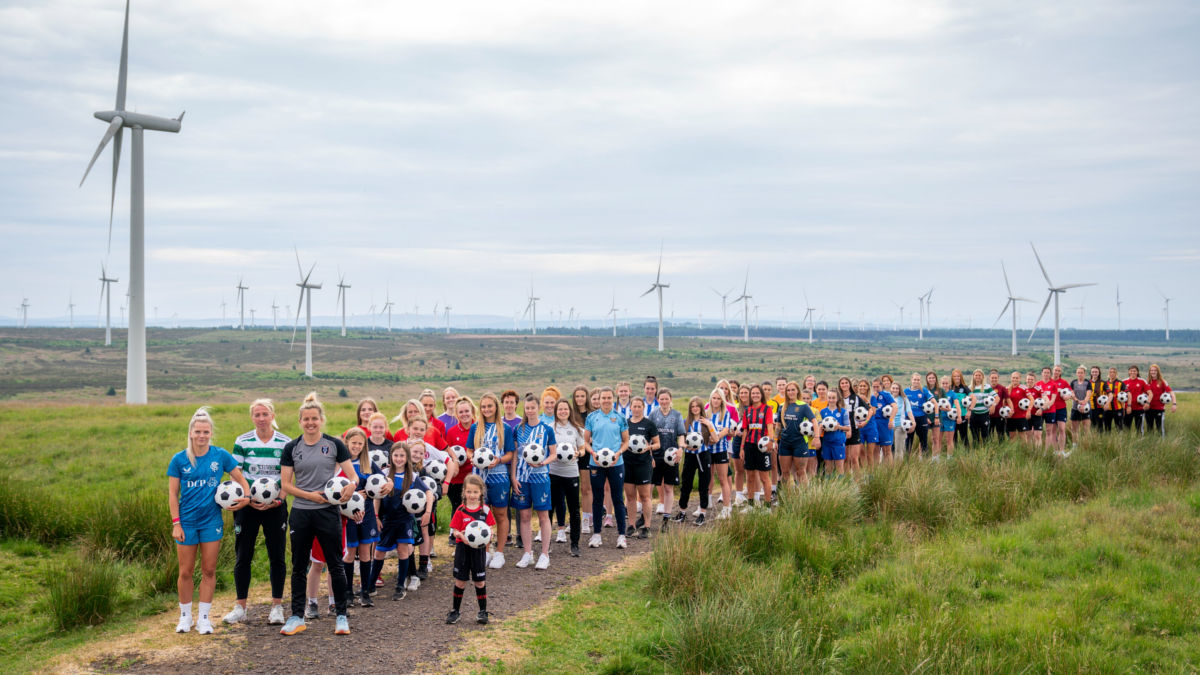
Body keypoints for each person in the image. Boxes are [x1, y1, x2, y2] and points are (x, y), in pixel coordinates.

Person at [278, 392, 359, 637]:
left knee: (335, 564)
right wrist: (310, 495)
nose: (310, 422)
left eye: (314, 418)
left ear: (321, 419)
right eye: (306, 419)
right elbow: (285, 485)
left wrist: (352, 486)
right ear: (300, 421)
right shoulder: (292, 447)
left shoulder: (334, 445)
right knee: (299, 565)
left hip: (328, 513)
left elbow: (352, 475)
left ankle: (341, 616)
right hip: (302, 513)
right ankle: (296, 617)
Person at [168, 407, 249, 634]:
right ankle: (185, 617)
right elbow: (173, 494)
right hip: (186, 522)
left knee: (209, 570)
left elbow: (241, 480)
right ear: (191, 433)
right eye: (198, 432)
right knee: (185, 571)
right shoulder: (179, 459)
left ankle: (204, 618)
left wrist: (246, 498)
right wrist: (176, 523)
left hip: (211, 521)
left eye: (206, 432)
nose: (202, 436)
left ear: (211, 433)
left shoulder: (220, 455)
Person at [224, 399, 289, 626]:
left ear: (272, 415)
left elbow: (287, 475)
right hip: (247, 506)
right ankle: (240, 607)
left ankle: (277, 607)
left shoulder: (284, 442)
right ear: (252, 417)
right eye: (257, 415)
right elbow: (236, 473)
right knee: (243, 556)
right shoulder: (242, 441)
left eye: (265, 414)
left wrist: (278, 500)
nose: (261, 418)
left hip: (274, 507)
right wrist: (248, 499)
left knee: (277, 556)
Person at [365, 442, 432, 602]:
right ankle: (371, 585)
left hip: (404, 520)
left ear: (407, 457)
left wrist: (428, 512)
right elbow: (377, 498)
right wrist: (375, 517)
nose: (399, 458)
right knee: (379, 552)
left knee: (403, 551)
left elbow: (429, 492)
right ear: (391, 456)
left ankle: (400, 586)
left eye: (402, 455)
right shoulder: (385, 474)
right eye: (396, 455)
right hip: (387, 521)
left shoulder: (413, 476)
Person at [465, 393, 516, 568]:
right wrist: (472, 458)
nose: (486, 410)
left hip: (499, 477)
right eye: (483, 407)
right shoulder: (475, 427)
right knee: (481, 515)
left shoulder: (506, 429)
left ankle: (500, 553)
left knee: (500, 514)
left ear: (496, 407)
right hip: (478, 479)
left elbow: (510, 453)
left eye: (490, 406)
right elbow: (469, 450)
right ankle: (486, 551)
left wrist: (498, 460)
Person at [446, 474, 496, 625]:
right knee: (460, 581)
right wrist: (461, 534)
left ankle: (482, 612)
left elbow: (491, 528)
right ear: (464, 492)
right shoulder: (461, 510)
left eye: (475, 492)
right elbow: (454, 530)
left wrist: (490, 535)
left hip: (479, 551)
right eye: (469, 492)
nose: (472, 495)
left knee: (479, 581)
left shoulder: (485, 511)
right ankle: (455, 611)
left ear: (481, 492)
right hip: (463, 549)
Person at [513, 394, 556, 570]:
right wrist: (513, 477)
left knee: (543, 516)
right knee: (524, 516)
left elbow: (553, 453)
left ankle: (544, 554)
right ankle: (527, 553)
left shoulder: (546, 429)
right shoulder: (518, 429)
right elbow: (515, 455)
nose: (530, 410)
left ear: (538, 408)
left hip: (540, 478)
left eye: (532, 407)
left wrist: (542, 463)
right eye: (527, 408)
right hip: (522, 479)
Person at [584, 387, 629, 548]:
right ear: (599, 399)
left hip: (616, 463)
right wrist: (593, 453)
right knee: (597, 498)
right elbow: (586, 442)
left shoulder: (620, 417)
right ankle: (596, 534)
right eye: (603, 398)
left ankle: (622, 536)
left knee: (617, 498)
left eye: (609, 398)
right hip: (596, 463)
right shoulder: (591, 417)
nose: (606, 400)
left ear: (613, 398)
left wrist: (618, 454)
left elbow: (626, 442)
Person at [340, 427, 380, 606]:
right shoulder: (340, 463)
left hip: (367, 513)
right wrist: (354, 496)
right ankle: (347, 592)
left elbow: (384, 480)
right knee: (349, 554)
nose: (356, 446)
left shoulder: (368, 463)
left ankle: (365, 592)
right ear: (347, 442)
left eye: (360, 443)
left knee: (365, 553)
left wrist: (385, 485)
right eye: (353, 442)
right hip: (347, 515)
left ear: (365, 445)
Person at [550, 398, 584, 556]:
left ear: (569, 411)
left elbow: (583, 449)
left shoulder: (576, 429)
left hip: (571, 473)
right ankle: (547, 543)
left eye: (565, 409)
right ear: (556, 412)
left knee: (574, 509)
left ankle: (575, 544)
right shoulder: (550, 428)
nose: (563, 412)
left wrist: (578, 453)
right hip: (553, 472)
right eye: (560, 409)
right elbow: (546, 449)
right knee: (550, 508)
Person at [677, 396, 718, 526]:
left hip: (703, 455)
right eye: (692, 406)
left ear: (701, 407)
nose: (695, 408)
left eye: (697, 406)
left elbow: (716, 439)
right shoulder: (685, 422)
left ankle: (702, 514)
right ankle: (682, 512)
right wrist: (685, 446)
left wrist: (710, 425)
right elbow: (681, 439)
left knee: (703, 485)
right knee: (686, 484)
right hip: (689, 455)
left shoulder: (706, 422)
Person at [649, 388, 685, 530]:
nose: (664, 401)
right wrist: (650, 453)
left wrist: (681, 449)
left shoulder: (677, 415)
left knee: (668, 487)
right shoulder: (653, 414)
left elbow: (681, 434)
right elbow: (648, 435)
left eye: (666, 398)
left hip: (671, 456)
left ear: (670, 399)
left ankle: (666, 518)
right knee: (650, 486)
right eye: (661, 399)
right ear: (658, 400)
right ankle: (647, 517)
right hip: (656, 456)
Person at [623, 396, 658, 536]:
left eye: (639, 406)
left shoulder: (649, 424)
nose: (636, 409)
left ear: (643, 408)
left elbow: (657, 444)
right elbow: (621, 441)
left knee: (645, 496)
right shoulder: (625, 424)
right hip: (627, 463)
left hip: (643, 464)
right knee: (630, 496)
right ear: (630, 408)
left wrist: (649, 447)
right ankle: (631, 525)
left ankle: (647, 527)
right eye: (634, 406)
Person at [777, 381, 818, 486]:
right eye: (788, 390)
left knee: (801, 472)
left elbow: (814, 421)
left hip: (799, 443)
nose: (790, 392)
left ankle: (805, 499)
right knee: (785, 472)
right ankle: (786, 499)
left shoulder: (803, 406)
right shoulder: (782, 406)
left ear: (797, 391)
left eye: (793, 390)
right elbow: (778, 426)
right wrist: (774, 440)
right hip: (785, 443)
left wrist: (816, 437)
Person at [739, 385, 774, 504]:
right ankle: (750, 505)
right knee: (749, 477)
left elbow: (770, 426)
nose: (755, 395)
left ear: (761, 395)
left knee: (764, 477)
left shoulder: (767, 409)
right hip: (749, 446)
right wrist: (742, 448)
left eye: (757, 393)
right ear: (750, 395)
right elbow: (745, 430)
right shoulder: (747, 411)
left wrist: (771, 440)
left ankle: (768, 506)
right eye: (753, 393)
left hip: (762, 447)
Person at [706, 389, 736, 518]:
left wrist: (715, 437)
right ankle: (705, 503)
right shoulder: (706, 412)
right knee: (708, 478)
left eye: (718, 398)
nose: (716, 401)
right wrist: (709, 439)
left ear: (722, 400)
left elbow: (725, 430)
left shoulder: (725, 413)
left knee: (723, 479)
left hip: (720, 450)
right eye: (714, 398)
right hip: (707, 450)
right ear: (711, 399)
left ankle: (727, 507)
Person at [819, 389, 850, 475]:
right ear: (827, 398)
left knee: (839, 467)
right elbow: (819, 427)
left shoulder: (843, 412)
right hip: (827, 442)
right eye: (829, 398)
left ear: (837, 399)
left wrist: (838, 427)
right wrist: (821, 427)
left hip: (838, 442)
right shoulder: (823, 411)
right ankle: (830, 486)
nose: (831, 400)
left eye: (833, 398)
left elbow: (848, 428)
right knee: (828, 467)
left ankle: (841, 486)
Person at [903, 373, 933, 456]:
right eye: (915, 379)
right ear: (911, 380)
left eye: (918, 380)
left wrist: (935, 415)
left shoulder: (924, 390)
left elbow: (933, 402)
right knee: (908, 440)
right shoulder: (905, 391)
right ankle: (906, 461)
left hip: (921, 418)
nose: (916, 381)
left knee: (923, 441)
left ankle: (925, 461)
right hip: (909, 418)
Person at [840, 377, 865, 475]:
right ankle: (847, 483)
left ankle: (858, 482)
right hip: (843, 430)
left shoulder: (856, 397)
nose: (844, 385)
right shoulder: (838, 398)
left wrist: (864, 422)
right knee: (846, 458)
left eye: (846, 383)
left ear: (849, 384)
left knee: (854, 458)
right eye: (842, 383)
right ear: (840, 385)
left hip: (854, 430)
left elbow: (869, 409)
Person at [1145, 363, 1176, 436]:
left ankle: (1162, 445)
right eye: (1151, 370)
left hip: (1159, 409)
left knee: (1160, 429)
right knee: (1149, 429)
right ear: (1149, 372)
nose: (1153, 372)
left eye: (1155, 370)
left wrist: (1174, 404)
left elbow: (1171, 392)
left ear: (1158, 371)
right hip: (1148, 409)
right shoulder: (1147, 382)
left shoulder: (1162, 381)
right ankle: (1151, 445)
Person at [854, 379, 878, 470]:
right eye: (860, 386)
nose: (862, 387)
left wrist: (866, 401)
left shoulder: (872, 398)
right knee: (861, 452)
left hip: (870, 427)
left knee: (870, 453)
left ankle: (870, 473)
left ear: (868, 387)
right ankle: (864, 472)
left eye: (864, 386)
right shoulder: (855, 398)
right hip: (859, 428)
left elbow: (874, 411)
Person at [967, 368, 995, 446]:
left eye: (979, 375)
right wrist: (968, 412)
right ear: (973, 376)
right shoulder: (969, 388)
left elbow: (996, 397)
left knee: (985, 436)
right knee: (975, 437)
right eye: (976, 375)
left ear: (982, 377)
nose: (978, 377)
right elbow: (967, 402)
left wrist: (993, 405)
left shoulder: (987, 387)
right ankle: (976, 454)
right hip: (974, 415)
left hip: (984, 414)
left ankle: (986, 453)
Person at [871, 379, 896, 465]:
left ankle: (889, 472)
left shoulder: (886, 395)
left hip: (885, 424)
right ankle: (877, 472)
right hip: (874, 425)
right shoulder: (871, 396)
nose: (875, 388)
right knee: (875, 449)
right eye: (874, 386)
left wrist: (891, 420)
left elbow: (895, 407)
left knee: (887, 450)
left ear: (881, 385)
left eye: (877, 386)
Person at [936, 375, 959, 458]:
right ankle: (937, 458)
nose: (944, 385)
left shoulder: (952, 394)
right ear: (940, 384)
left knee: (949, 440)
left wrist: (959, 416)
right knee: (938, 440)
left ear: (949, 384)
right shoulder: (937, 393)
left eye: (946, 383)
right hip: (939, 419)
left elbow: (957, 405)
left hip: (949, 419)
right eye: (943, 383)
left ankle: (949, 458)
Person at [889, 381, 913, 461]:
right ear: (890, 389)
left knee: (899, 450)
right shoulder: (887, 398)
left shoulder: (904, 399)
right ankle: (887, 468)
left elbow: (909, 411)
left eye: (897, 388)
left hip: (900, 426)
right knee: (887, 449)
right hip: (889, 426)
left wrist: (913, 422)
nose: (895, 390)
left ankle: (898, 469)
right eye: (893, 388)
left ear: (899, 389)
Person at [1124, 365, 1149, 435]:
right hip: (1127, 408)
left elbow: (1150, 393)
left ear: (1137, 372)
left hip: (1139, 409)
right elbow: (1120, 395)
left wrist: (1147, 403)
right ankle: (1126, 442)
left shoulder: (1142, 381)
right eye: (1131, 371)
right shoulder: (1124, 381)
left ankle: (1140, 442)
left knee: (1139, 428)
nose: (1133, 372)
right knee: (1126, 428)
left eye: (1134, 371)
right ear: (1129, 372)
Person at [948, 369, 970, 448]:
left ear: (961, 377)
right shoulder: (949, 387)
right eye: (955, 376)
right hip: (951, 416)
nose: (956, 378)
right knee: (953, 437)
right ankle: (955, 453)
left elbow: (973, 398)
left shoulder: (965, 387)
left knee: (964, 436)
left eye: (958, 376)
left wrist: (969, 411)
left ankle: (967, 454)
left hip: (963, 415)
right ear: (952, 377)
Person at [1070, 365, 1092, 441]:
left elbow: (1088, 394)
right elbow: (1072, 394)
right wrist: (1078, 401)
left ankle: (1087, 445)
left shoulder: (1087, 383)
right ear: (1076, 373)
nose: (1080, 374)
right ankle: (1074, 446)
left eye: (1081, 373)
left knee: (1086, 429)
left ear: (1084, 373)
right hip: (1075, 407)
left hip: (1086, 408)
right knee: (1074, 429)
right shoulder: (1073, 382)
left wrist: (1083, 403)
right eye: (1078, 372)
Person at [1007, 371, 1030, 443]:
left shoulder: (1023, 388)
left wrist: (1028, 411)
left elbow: (1032, 399)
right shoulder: (1007, 388)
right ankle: (1013, 453)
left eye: (1016, 378)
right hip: (1011, 417)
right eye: (1013, 378)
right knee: (1012, 437)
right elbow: (1004, 401)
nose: (1015, 379)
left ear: (1019, 379)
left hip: (1021, 416)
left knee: (1023, 436)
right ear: (1011, 378)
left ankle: (1025, 453)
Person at [988, 370, 1009, 440]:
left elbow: (1008, 400)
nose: (994, 379)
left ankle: (1001, 448)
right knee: (988, 434)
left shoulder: (1002, 388)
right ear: (989, 378)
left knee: (1001, 434)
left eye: (995, 378)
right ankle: (989, 449)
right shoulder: (986, 388)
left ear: (998, 378)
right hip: (988, 415)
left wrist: (1011, 410)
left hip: (999, 415)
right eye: (992, 378)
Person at [1105, 367, 1125, 432]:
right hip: (1108, 409)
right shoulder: (1105, 384)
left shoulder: (1120, 383)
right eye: (1110, 372)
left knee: (1119, 428)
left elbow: (1125, 396)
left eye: (1114, 372)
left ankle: (1120, 441)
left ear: (1116, 373)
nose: (1112, 373)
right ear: (1108, 373)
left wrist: (1124, 408)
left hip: (1118, 409)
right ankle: (1108, 441)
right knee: (1107, 428)